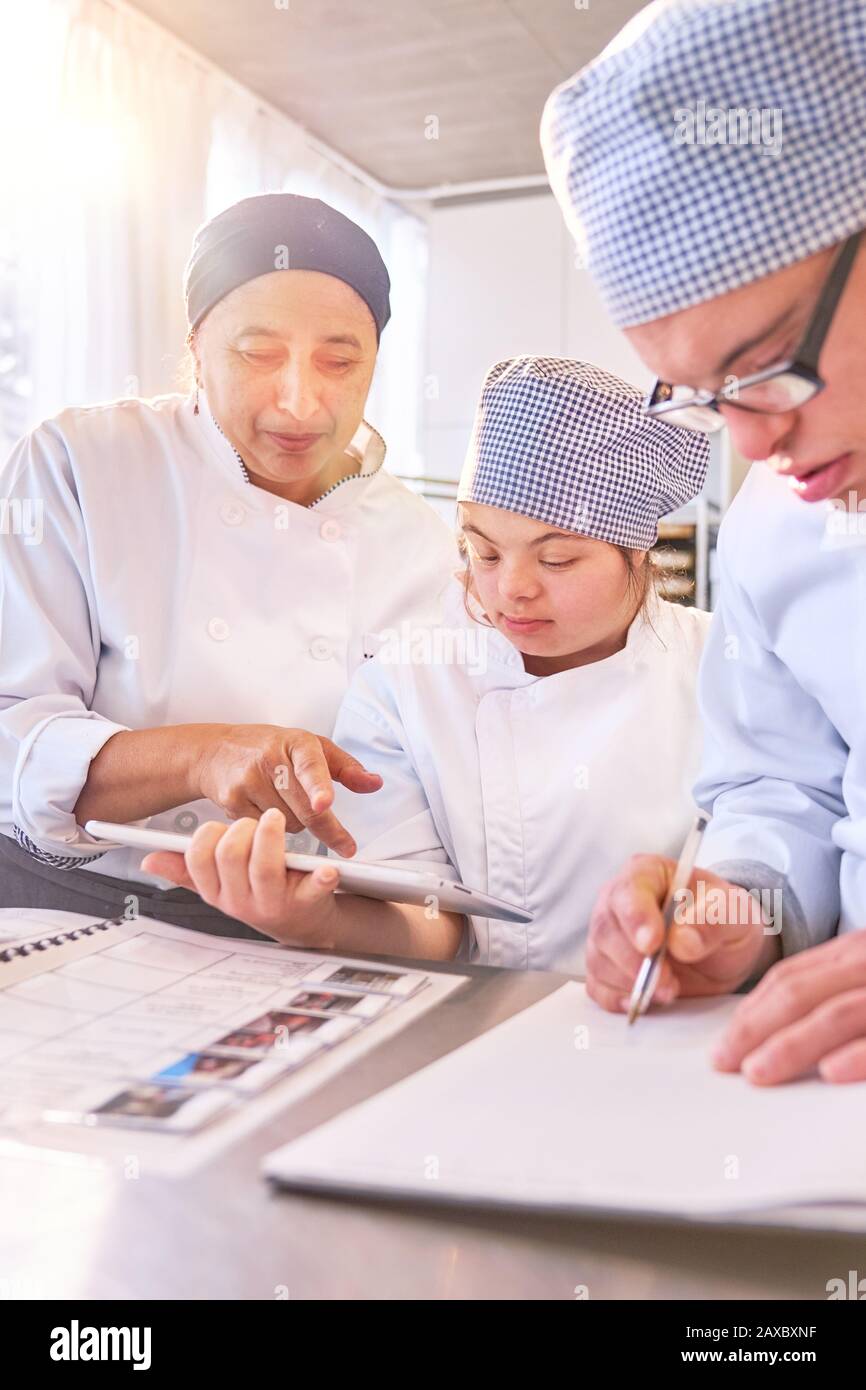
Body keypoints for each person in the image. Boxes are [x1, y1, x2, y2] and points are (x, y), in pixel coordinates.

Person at [541, 0, 866, 1082]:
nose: (754, 441)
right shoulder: (780, 523)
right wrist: (740, 905)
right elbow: (782, 785)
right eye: (700, 395)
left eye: (768, 359)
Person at [143, 357, 711, 972]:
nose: (511, 589)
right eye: (484, 551)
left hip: (680, 1022)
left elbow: (769, 877)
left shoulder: (721, 667)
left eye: (558, 560)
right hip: (482, 1025)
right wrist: (311, 920)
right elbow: (429, 922)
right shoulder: (407, 681)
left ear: (639, 547)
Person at [0, 193, 456, 932]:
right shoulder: (80, 463)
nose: (301, 403)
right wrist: (201, 756)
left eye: (340, 360)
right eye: (258, 354)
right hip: (54, 901)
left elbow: (413, 810)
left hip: (282, 926)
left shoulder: (419, 545)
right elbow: (10, 731)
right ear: (195, 347)